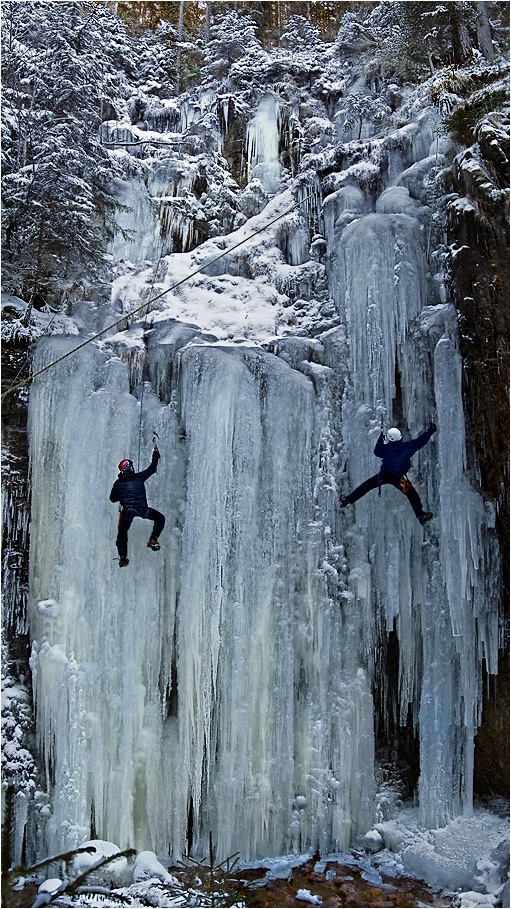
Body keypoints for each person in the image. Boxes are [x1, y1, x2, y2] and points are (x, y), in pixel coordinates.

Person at [340, 424, 437, 525]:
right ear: (400, 437)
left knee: (365, 486)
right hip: (399, 479)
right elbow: (421, 441)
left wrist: (381, 438)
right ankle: (421, 516)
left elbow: (377, 452)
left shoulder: (386, 448)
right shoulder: (408, 447)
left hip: (384, 476)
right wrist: (431, 430)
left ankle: (347, 500)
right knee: (412, 495)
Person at [110, 446, 165, 567]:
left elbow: (112, 499)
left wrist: (122, 494)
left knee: (122, 532)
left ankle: (123, 557)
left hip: (127, 512)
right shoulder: (139, 477)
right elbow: (152, 468)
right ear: (130, 468)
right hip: (142, 510)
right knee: (160, 518)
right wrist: (155, 456)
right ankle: (153, 540)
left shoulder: (118, 484)